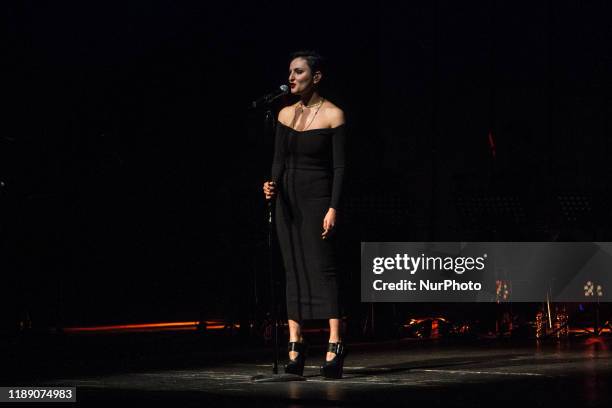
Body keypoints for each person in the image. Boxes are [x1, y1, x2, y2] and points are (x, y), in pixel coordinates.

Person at [262, 50, 347, 379]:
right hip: (287, 202)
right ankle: (295, 343)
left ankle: (335, 342)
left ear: (317, 77)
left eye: (299, 72)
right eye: (290, 72)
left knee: (323, 268)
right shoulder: (284, 115)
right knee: (293, 267)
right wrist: (270, 187)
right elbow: (277, 162)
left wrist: (333, 207)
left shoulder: (334, 115)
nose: (292, 77)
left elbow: (340, 168)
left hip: (318, 199)